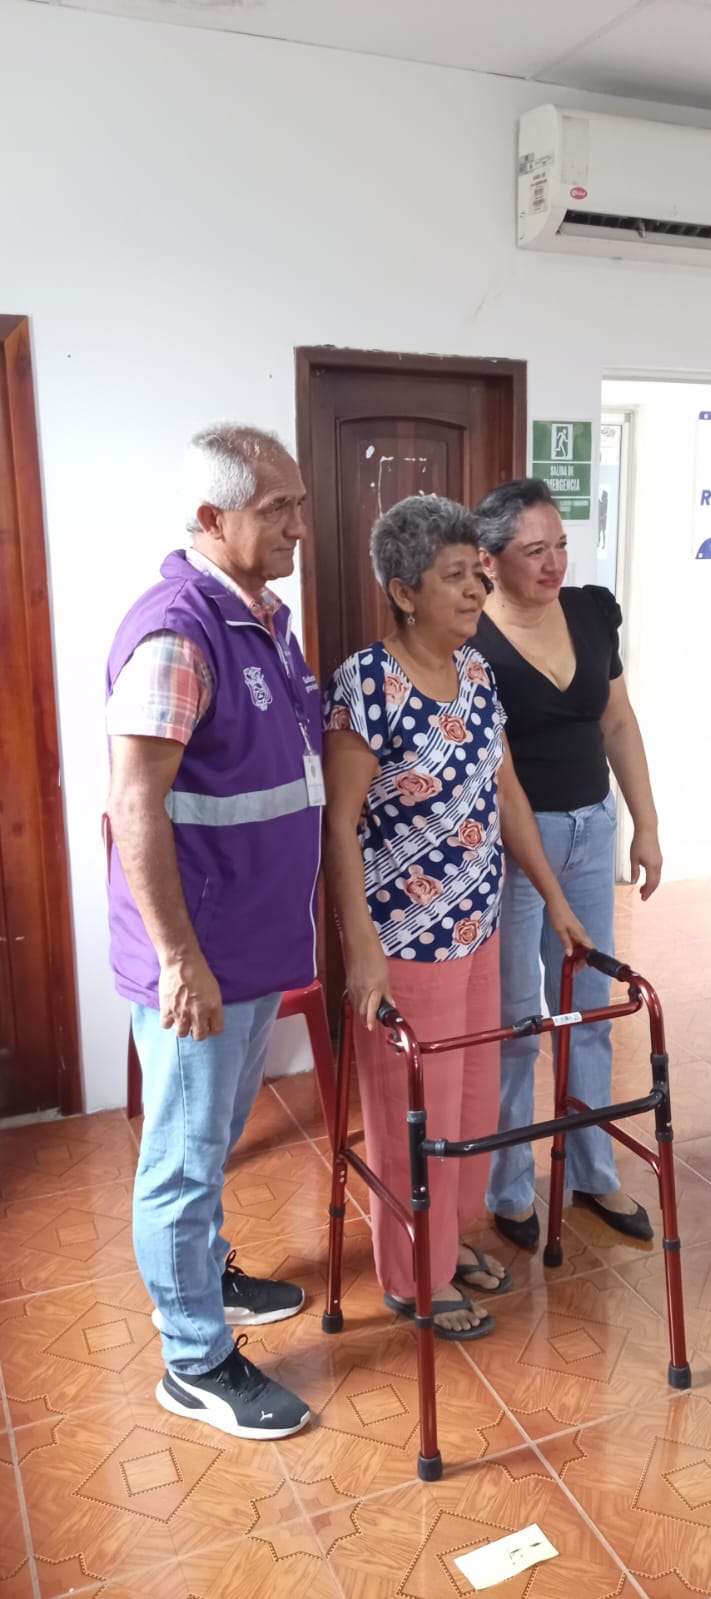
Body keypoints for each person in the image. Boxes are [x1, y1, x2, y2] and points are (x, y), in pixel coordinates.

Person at [322, 495, 590, 1340]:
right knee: (416, 1120)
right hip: (405, 942)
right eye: (455, 576)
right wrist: (361, 950)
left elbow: (506, 792)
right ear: (404, 592)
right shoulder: (368, 683)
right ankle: (413, 1278)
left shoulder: (476, 673)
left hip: (477, 929)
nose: (477, 589)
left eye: (478, 572)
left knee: (470, 1108)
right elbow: (337, 824)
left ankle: (449, 1241)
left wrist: (553, 897)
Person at [105, 424, 321, 1440]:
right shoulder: (178, 633)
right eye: (277, 508)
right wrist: (178, 959)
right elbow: (135, 804)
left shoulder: (262, 619)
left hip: (252, 942)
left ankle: (205, 1273)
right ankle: (193, 1359)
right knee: (183, 1160)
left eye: (298, 504)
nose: (298, 525)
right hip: (202, 954)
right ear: (210, 517)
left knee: (217, 1138)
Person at [474, 477, 662, 1251]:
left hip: (592, 828)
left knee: (589, 1008)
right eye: (533, 551)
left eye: (559, 545)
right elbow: (496, 776)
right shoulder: (470, 636)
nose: (553, 563)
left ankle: (592, 1170)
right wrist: (542, 874)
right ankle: (510, 1184)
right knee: (518, 1020)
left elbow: (616, 720)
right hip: (516, 845)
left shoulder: (587, 611)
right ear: (488, 561)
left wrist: (645, 823)